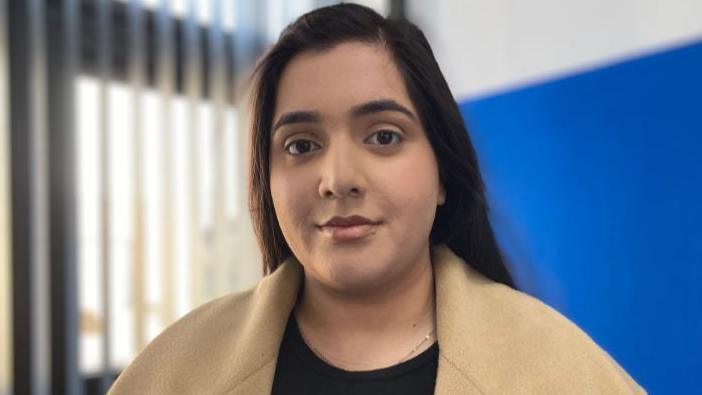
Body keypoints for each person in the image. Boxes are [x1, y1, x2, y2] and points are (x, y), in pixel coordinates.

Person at [109, 4, 646, 394]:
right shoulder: (173, 374)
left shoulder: (564, 374)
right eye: (301, 145)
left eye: (383, 136)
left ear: (442, 173)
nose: (337, 178)